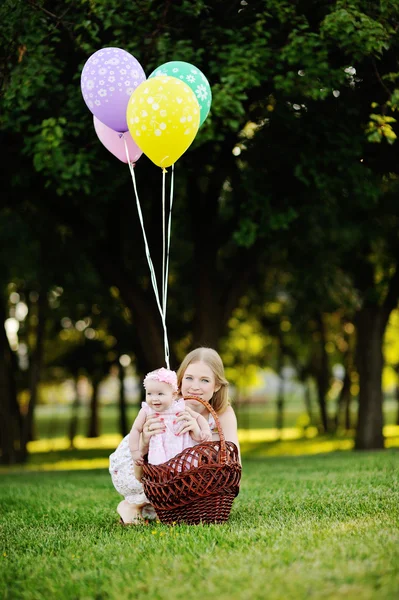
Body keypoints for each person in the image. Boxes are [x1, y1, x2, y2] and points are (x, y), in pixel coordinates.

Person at [109, 347, 240, 524]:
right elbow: (141, 470)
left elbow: (232, 462)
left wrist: (199, 435)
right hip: (147, 465)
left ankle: (153, 508)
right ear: (179, 380)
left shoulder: (222, 413)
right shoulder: (166, 405)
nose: (195, 386)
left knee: (187, 508)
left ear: (217, 385)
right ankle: (134, 504)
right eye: (189, 378)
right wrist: (145, 442)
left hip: (184, 475)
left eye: (205, 380)